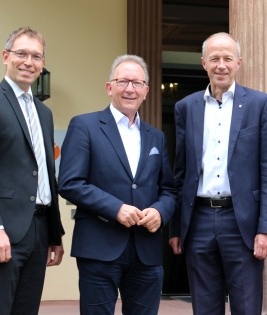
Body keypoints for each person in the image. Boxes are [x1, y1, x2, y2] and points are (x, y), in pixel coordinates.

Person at [168, 32, 267, 315]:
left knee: (246, 306)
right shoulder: (186, 107)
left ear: (238, 63)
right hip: (199, 221)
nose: (221, 65)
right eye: (215, 58)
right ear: (203, 63)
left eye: (227, 58)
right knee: (204, 307)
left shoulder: (259, 104)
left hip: (241, 222)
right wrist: (176, 228)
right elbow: (180, 172)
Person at [58, 54, 176, 315]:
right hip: (100, 247)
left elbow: (168, 189)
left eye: (137, 83)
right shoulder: (85, 126)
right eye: (123, 81)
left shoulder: (156, 137)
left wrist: (160, 211)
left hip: (147, 251)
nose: (130, 89)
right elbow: (69, 182)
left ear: (146, 90)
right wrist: (115, 208)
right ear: (109, 87)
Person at [0, 27, 65, 315]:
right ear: (5, 56)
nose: (28, 62)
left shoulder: (44, 113)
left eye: (36, 56)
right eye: (21, 53)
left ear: (43, 63)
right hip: (1, 230)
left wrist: (54, 235)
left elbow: (45, 174)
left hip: (39, 231)